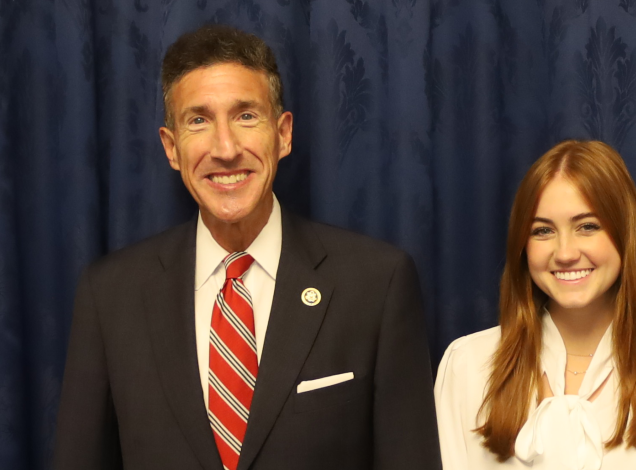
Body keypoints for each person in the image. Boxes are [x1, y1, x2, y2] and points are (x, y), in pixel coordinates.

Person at [53, 25, 439, 470]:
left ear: (284, 133)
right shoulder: (110, 296)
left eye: (246, 116)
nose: (226, 148)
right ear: (171, 147)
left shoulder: (377, 284)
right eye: (198, 120)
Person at [434, 140, 636, 470]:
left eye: (587, 226)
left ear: (626, 234)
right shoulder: (468, 367)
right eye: (543, 230)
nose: (566, 252)